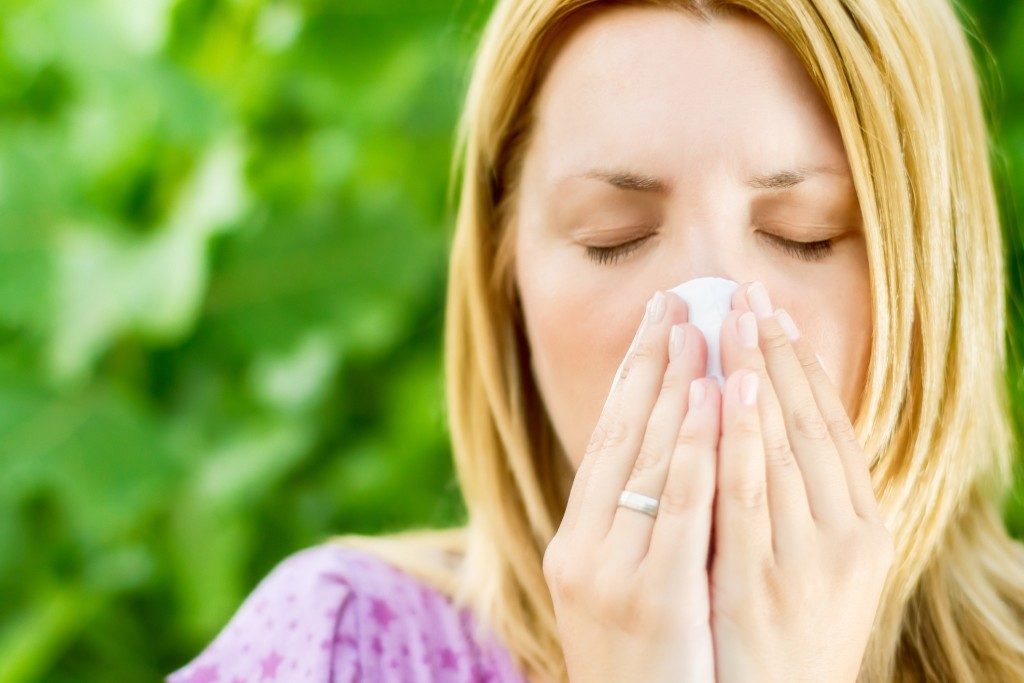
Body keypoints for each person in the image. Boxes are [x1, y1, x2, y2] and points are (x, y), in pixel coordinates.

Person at [166, 0, 1024, 681]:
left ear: (931, 279)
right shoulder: (339, 649)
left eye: (807, 231)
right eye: (612, 235)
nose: (707, 317)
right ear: (506, 275)